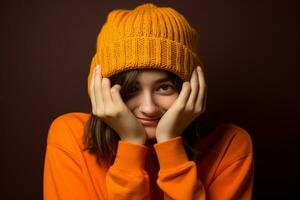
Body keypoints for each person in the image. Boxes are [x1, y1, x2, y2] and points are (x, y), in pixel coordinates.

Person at [43, 3, 254, 200]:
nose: (148, 108)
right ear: (101, 89)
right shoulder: (70, 136)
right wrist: (131, 144)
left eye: (164, 87)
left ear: (192, 88)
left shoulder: (230, 145)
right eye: (130, 89)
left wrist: (170, 146)